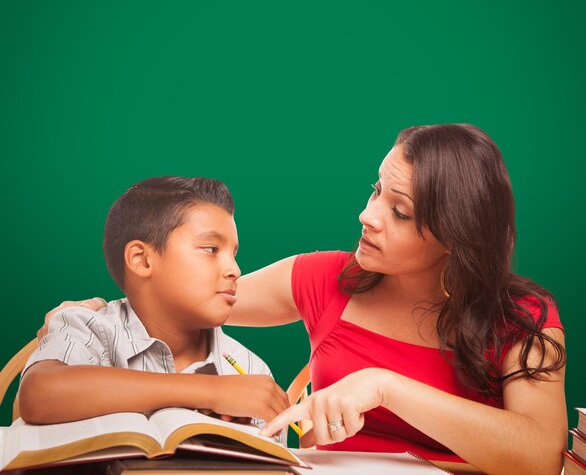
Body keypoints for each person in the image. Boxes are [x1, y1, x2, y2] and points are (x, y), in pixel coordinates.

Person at [40, 125, 567, 475]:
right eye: (374, 190)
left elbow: (541, 455)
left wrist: (385, 387)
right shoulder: (324, 278)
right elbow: (186, 294)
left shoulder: (522, 317)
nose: (369, 215)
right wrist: (100, 311)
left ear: (456, 235)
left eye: (399, 211)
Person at [21, 176, 289, 427]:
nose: (235, 270)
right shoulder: (88, 327)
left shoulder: (251, 370)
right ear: (141, 259)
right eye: (211, 249)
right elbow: (38, 393)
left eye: (233, 253)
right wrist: (211, 391)